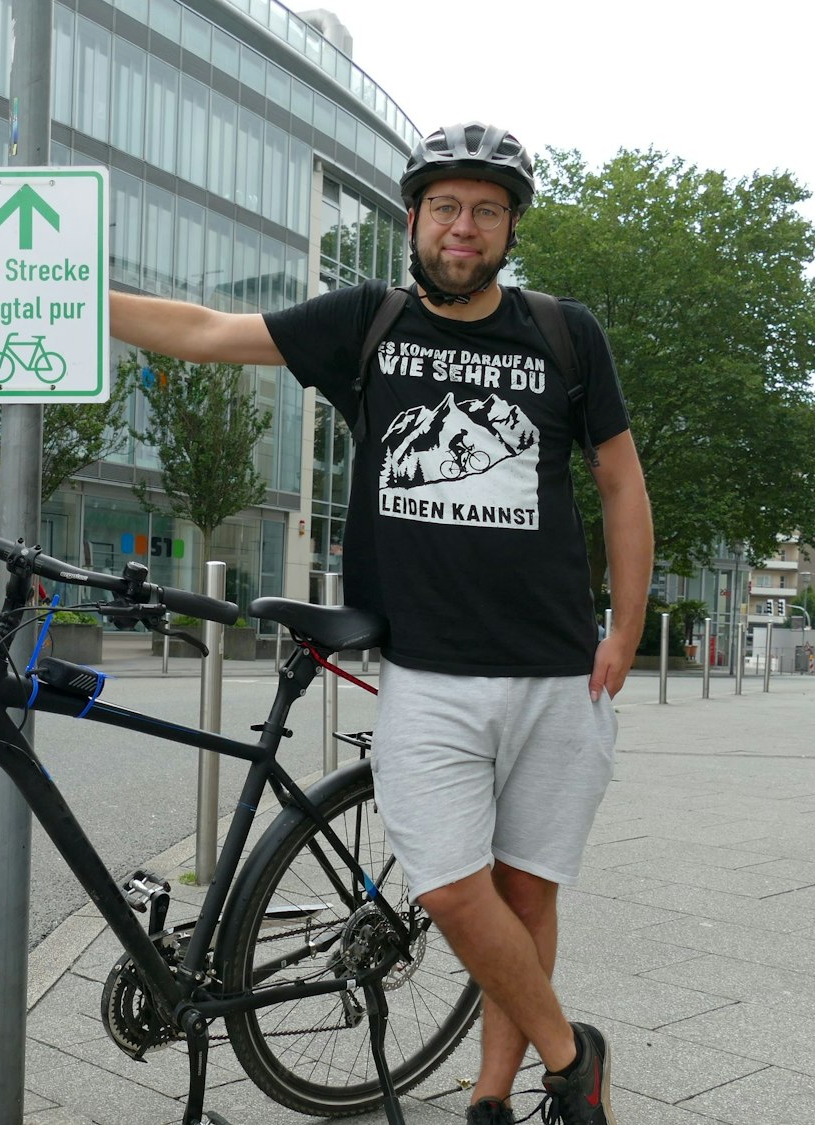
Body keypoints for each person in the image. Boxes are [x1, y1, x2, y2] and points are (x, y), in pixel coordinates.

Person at [108, 121, 652, 1125]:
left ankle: (491, 1096)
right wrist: (80, 305)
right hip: (427, 672)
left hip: (554, 669)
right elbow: (205, 332)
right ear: (412, 219)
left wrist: (623, 628)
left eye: (484, 212)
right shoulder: (368, 322)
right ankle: (574, 1059)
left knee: (526, 898)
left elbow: (619, 479)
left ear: (507, 229)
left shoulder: (562, 332)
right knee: (451, 891)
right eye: (445, 207)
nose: (462, 227)